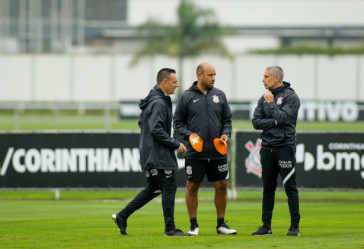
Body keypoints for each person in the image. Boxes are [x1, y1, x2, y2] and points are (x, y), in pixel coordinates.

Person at [112, 68, 190, 236]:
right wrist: (174, 143)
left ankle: (122, 216)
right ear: (164, 83)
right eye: (175, 82)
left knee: (153, 188)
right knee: (169, 186)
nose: (177, 85)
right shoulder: (159, 102)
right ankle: (170, 228)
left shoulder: (153, 101)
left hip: (151, 153)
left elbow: (143, 124)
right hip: (158, 155)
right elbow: (155, 129)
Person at [174, 62, 237, 235]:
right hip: (195, 153)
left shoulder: (220, 95)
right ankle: (193, 226)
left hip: (218, 151)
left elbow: (227, 120)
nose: (213, 78)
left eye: (215, 75)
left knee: (222, 185)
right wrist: (189, 135)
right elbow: (178, 123)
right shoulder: (186, 96)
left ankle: (221, 225)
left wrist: (226, 133)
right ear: (199, 75)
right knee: (192, 186)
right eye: (210, 75)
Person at [251, 66, 301, 236]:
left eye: (266, 77)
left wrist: (272, 105)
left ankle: (294, 227)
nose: (263, 80)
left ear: (276, 78)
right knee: (268, 189)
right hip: (267, 148)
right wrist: (275, 122)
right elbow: (256, 122)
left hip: (284, 147)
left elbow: (283, 118)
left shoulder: (291, 97)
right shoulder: (263, 97)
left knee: (290, 187)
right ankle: (266, 227)